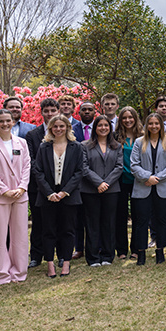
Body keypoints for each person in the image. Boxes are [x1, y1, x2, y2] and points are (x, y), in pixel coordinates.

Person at [0, 109, 31, 285]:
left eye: (8, 120)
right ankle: (0, 274)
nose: (5, 124)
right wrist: (4, 190)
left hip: (19, 195)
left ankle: (19, 271)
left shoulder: (21, 142)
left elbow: (27, 166)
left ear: (13, 121)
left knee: (20, 236)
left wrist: (22, 187)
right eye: (1, 121)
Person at [33, 114, 85, 278]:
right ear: (50, 128)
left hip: (68, 195)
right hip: (48, 195)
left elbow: (79, 171)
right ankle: (50, 264)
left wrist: (64, 192)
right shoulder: (44, 147)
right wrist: (49, 193)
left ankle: (66, 263)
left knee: (68, 230)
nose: (58, 129)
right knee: (48, 231)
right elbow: (38, 171)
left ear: (67, 127)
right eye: (55, 126)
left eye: (62, 126)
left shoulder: (76, 147)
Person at [130, 113, 166, 265]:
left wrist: (156, 178)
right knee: (141, 221)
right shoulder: (139, 142)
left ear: (161, 125)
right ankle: (141, 253)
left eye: (157, 123)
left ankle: (160, 251)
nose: (154, 126)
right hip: (143, 187)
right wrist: (147, 177)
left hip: (163, 188)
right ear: (146, 125)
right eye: (151, 123)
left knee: (162, 220)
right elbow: (134, 164)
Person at [81, 115, 123, 267]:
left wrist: (106, 183)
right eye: (100, 125)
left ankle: (107, 255)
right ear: (95, 128)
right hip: (90, 190)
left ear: (110, 128)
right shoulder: (85, 145)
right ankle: (92, 257)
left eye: (106, 125)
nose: (103, 128)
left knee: (109, 223)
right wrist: (98, 183)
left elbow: (119, 167)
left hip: (111, 190)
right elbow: (84, 167)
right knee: (92, 224)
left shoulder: (117, 146)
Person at [25, 99, 61, 269]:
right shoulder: (32, 135)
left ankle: (61, 255)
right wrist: (44, 181)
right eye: (46, 111)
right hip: (38, 186)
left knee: (60, 222)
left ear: (58, 111)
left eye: (53, 110)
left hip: (60, 186)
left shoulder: (63, 132)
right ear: (41, 113)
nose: (49, 114)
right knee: (38, 222)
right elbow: (31, 161)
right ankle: (36, 256)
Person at [114, 106, 143, 260]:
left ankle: (136, 249)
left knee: (138, 215)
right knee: (120, 215)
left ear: (135, 118)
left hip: (138, 180)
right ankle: (121, 249)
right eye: (124, 118)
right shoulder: (114, 136)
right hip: (120, 180)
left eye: (130, 117)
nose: (127, 120)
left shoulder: (143, 136)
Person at [71, 101, 96, 259]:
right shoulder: (72, 130)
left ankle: (95, 246)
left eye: (90, 109)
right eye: (84, 110)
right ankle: (79, 248)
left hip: (96, 177)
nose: (87, 112)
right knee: (78, 217)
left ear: (95, 112)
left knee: (93, 216)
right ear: (79, 113)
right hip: (77, 179)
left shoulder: (101, 128)